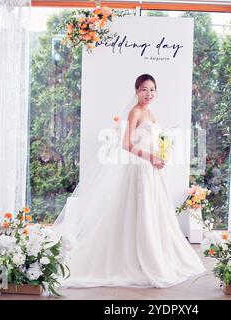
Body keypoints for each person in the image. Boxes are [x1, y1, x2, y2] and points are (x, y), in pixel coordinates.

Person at [52, 74, 206, 288]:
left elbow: (154, 140)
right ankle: (137, 258)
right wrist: (151, 157)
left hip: (153, 170)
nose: (148, 94)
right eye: (144, 89)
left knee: (154, 212)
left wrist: (162, 155)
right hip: (140, 169)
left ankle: (156, 254)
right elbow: (126, 144)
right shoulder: (135, 112)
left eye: (152, 89)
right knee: (139, 210)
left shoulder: (151, 113)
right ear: (136, 91)